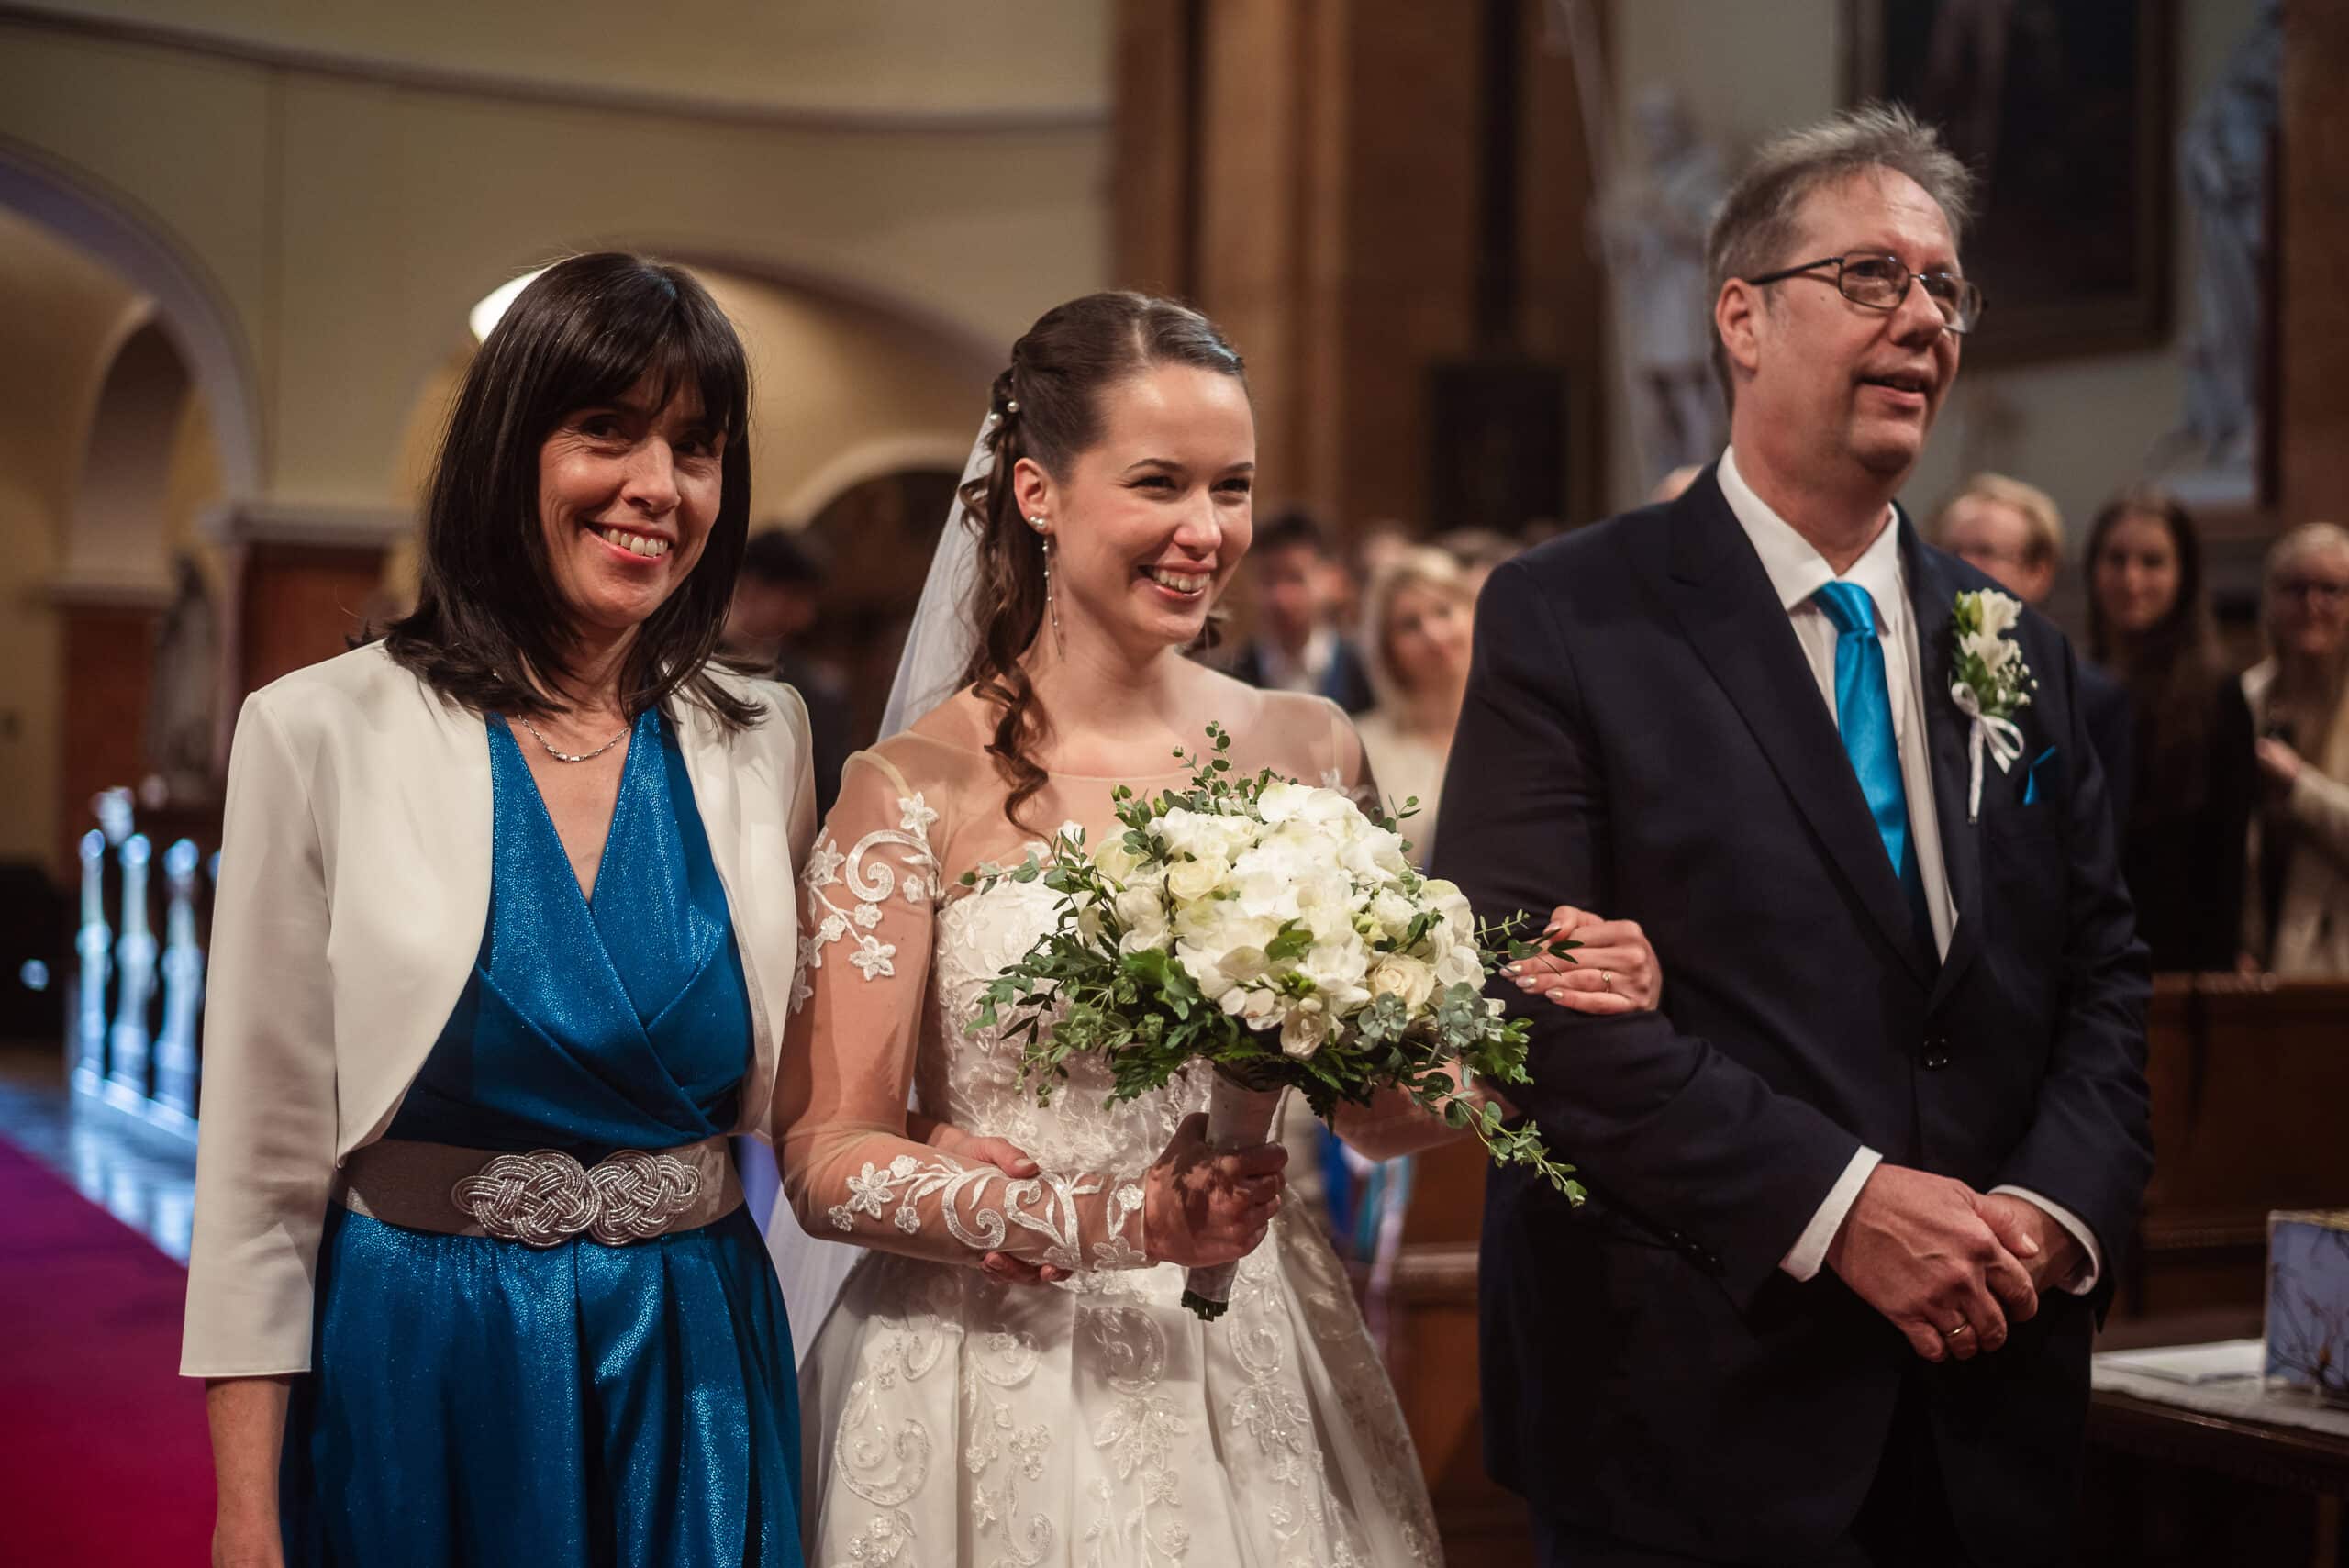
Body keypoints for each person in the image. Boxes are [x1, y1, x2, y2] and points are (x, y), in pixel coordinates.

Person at [773, 291, 1664, 1565]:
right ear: (1036, 492)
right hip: (986, 1371)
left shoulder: (1308, 748)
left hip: (1252, 1349)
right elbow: (825, 1157)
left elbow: (1376, 1114)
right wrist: (1114, 1220)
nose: (1207, 531)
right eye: (1161, 483)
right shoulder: (913, 784)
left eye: (1232, 487)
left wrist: (1529, 1009)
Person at [1436, 106, 2152, 1567]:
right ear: (1742, 318)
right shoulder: (1574, 616)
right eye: (1872, 276)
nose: (1924, 319)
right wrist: (1846, 1206)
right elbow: (1524, 996)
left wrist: (2046, 1213)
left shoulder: (2013, 643)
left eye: (1944, 287)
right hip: (1694, 1406)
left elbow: (2101, 976)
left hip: (1984, 1403)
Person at [182, 254, 815, 1567]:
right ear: (507, 451)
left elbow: (813, 1083)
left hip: (694, 1358)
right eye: (607, 430)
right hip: (422, 1356)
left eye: (696, 447)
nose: (658, 485)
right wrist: (246, 1513)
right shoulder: (318, 728)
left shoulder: (763, 736)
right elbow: (258, 1160)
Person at [2087, 486, 2255, 971]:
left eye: (2152, 562)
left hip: (2177, 960)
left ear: (2184, 575)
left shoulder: (2218, 695)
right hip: (2089, 953)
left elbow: (2225, 860)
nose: (2131, 579)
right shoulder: (2073, 678)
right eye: (2116, 559)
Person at [1932, 471, 2134, 825]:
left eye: (1984, 551)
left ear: (2038, 571)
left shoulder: (2087, 699)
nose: (1961, 564)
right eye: (1951, 551)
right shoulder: (1908, 677)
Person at [2242, 522, 2349, 975]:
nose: (2311, 605)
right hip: (2255, 957)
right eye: (2295, 588)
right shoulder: (2246, 697)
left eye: (2331, 590)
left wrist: (2300, 785)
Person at [1354, 546, 1477, 862]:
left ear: (1472, 614)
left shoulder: (1519, 728)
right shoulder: (1362, 745)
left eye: (1443, 611)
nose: (1433, 634)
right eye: (1410, 625)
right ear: (1387, 648)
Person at [725, 527, 855, 817]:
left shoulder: (820, 691)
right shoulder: (686, 662)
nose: (803, 617)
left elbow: (825, 793)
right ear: (750, 586)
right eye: (793, 597)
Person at [1225, 506, 1376, 712]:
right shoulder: (1228, 676)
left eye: (1295, 578)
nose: (1280, 597)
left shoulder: (1367, 673)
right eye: (1268, 580)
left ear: (1332, 579)